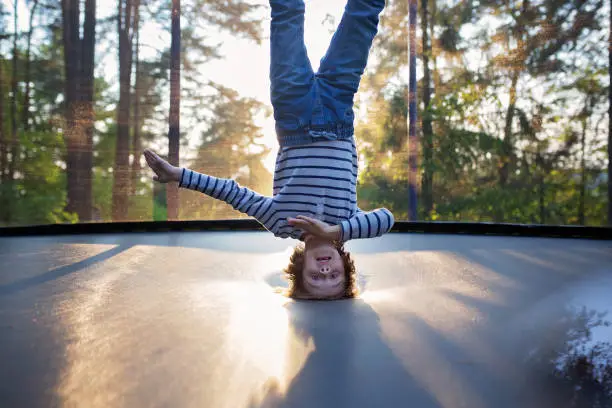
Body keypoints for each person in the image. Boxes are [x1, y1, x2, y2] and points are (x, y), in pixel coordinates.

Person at [144, 0, 392, 300]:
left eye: (315, 278)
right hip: (338, 107)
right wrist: (334, 233)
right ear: (344, 264)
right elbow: (386, 218)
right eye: (334, 277)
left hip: (293, 110)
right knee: (362, 18)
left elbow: (233, 193)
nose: (325, 272)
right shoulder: (350, 221)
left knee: (287, 14)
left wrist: (179, 175)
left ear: (300, 268)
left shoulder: (281, 223)